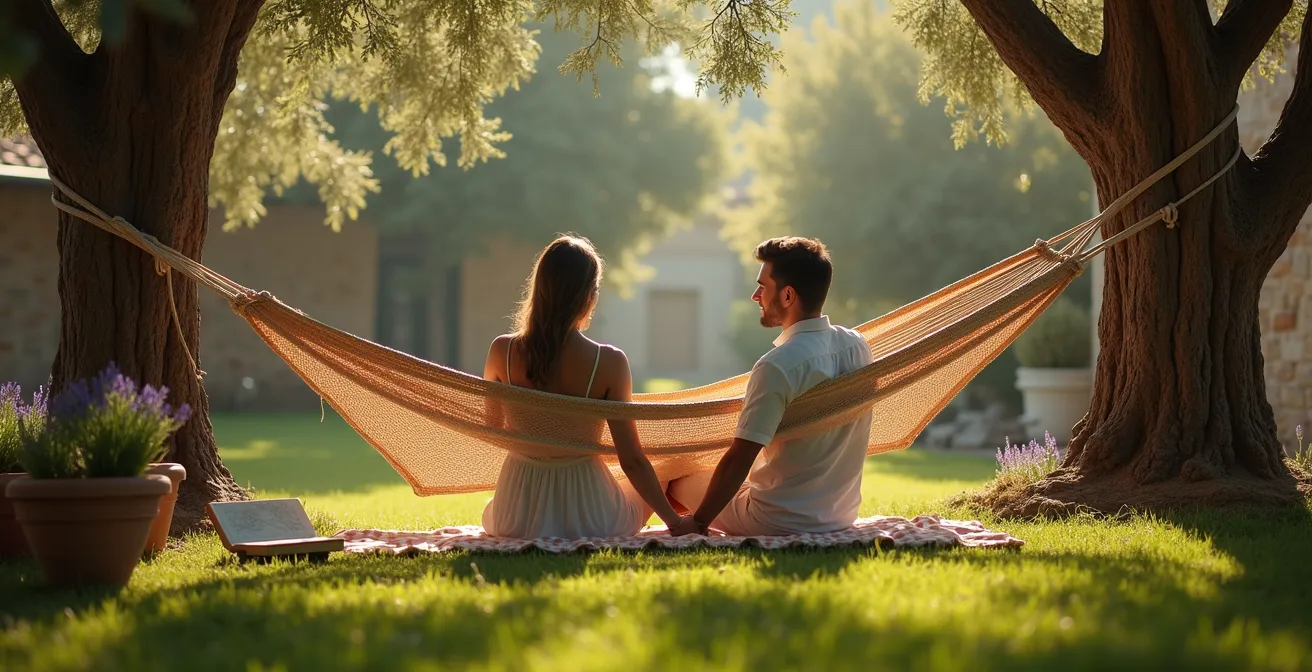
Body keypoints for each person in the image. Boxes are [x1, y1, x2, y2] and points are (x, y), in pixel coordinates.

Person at [665, 236, 874, 537]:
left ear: (788, 296)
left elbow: (739, 459)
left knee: (674, 474)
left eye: (762, 286)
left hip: (775, 520)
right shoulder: (858, 346)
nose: (755, 296)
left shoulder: (777, 366)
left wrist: (698, 523)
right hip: (839, 515)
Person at [481, 234, 681, 539]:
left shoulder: (501, 352)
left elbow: (491, 427)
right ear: (590, 296)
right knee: (666, 470)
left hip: (515, 514)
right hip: (591, 517)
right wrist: (675, 523)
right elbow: (632, 460)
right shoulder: (609, 362)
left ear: (539, 289)